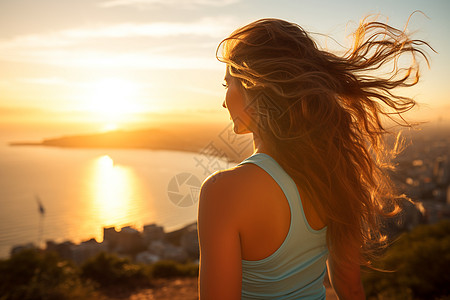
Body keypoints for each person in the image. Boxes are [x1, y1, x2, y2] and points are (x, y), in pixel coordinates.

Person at [197, 17, 431, 300]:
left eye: (227, 84)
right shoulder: (335, 174)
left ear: (255, 88)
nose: (224, 101)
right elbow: (351, 289)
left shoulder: (222, 190)